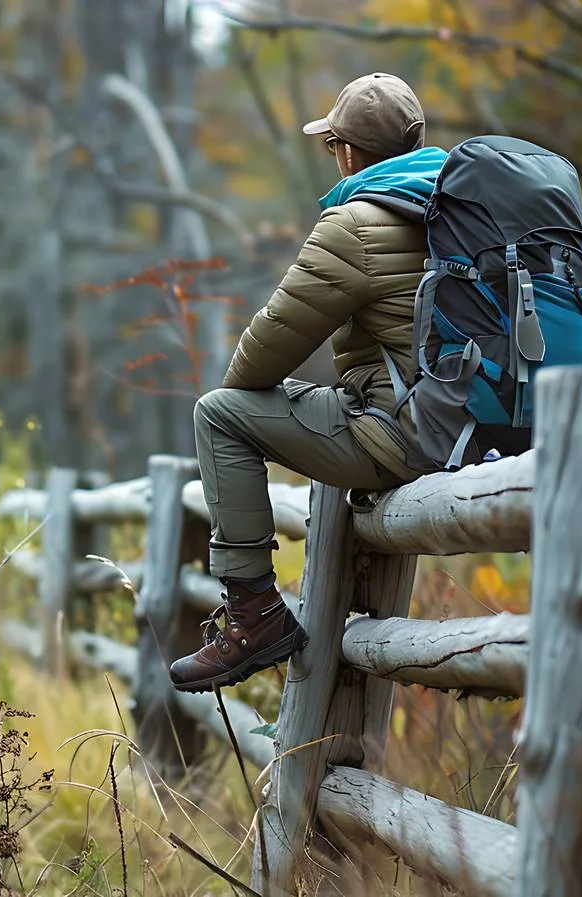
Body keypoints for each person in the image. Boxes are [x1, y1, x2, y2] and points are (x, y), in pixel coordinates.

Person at [169, 72, 446, 694]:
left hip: (410, 440)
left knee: (219, 413)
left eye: (332, 146)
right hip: (490, 433)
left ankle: (255, 615)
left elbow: (254, 370)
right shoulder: (461, 211)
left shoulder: (356, 225)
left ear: (347, 151)